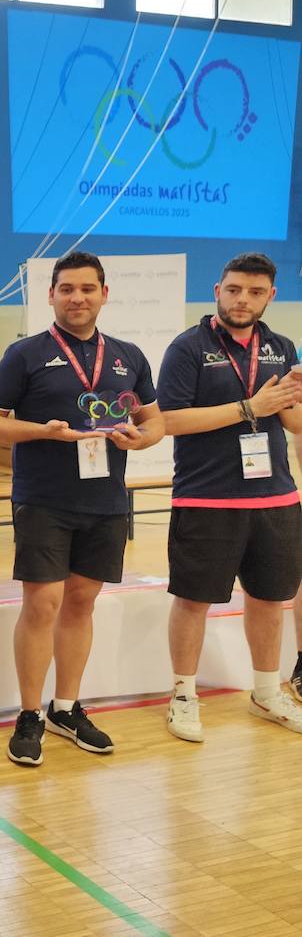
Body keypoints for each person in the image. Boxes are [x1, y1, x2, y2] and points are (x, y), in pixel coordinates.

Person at [0, 250, 163, 767]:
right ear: (52, 295)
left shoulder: (128, 355)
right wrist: (43, 432)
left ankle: (66, 707)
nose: (77, 297)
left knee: (81, 604)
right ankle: (30, 714)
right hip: (44, 499)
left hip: (106, 499)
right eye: (66, 289)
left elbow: (156, 421)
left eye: (87, 288)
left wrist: (140, 441)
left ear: (104, 293)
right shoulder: (26, 354)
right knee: (42, 605)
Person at [157, 253, 302, 740]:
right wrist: (250, 406)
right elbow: (170, 421)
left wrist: (293, 401)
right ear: (217, 288)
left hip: (276, 498)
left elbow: (294, 424)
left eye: (255, 292)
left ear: (270, 297)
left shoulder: (282, 348)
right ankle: (182, 694)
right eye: (235, 289)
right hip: (207, 498)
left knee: (268, 598)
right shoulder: (188, 348)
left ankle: (266, 692)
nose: (243, 300)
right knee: (193, 599)